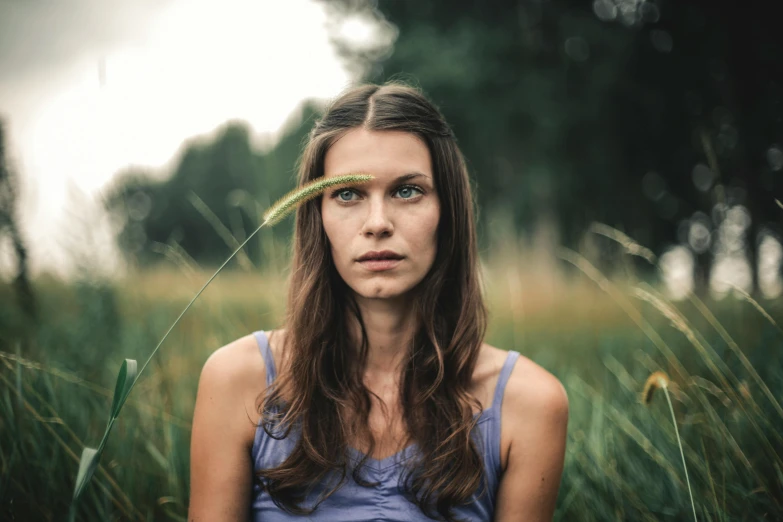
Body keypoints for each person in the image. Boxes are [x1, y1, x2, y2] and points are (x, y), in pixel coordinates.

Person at [188, 82, 569, 521]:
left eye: (407, 191)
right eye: (347, 194)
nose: (377, 224)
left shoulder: (530, 404)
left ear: (449, 210)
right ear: (318, 215)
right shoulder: (238, 381)